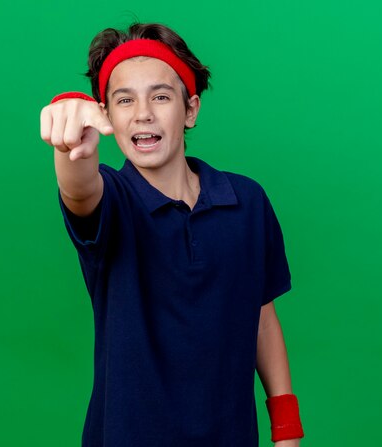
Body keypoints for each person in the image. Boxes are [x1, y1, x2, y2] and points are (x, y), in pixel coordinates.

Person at [40, 22, 305, 447]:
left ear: (190, 109)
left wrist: (287, 431)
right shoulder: (114, 200)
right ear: (105, 116)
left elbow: (260, 316)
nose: (142, 112)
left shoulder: (247, 201)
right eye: (124, 100)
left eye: (160, 96)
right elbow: (79, 188)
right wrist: (69, 140)